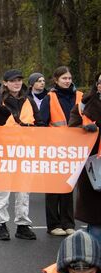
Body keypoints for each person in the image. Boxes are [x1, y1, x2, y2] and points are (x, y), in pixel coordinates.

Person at [0, 69, 40, 241]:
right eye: (13, 80)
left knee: (23, 190)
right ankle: (1, 224)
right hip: (4, 153)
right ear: (6, 83)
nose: (17, 83)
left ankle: (22, 224)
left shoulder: (29, 102)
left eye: (19, 80)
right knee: (2, 190)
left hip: (25, 152)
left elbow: (40, 124)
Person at [39, 66, 80, 236]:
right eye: (64, 78)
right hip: (54, 149)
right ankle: (53, 225)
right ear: (56, 80)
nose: (67, 81)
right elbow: (42, 123)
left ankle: (68, 223)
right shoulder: (49, 98)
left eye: (69, 78)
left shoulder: (80, 96)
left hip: (73, 149)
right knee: (53, 188)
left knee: (68, 187)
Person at [69, 71, 101, 243]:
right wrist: (84, 129)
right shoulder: (84, 105)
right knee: (96, 220)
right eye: (100, 82)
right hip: (92, 167)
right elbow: (72, 128)